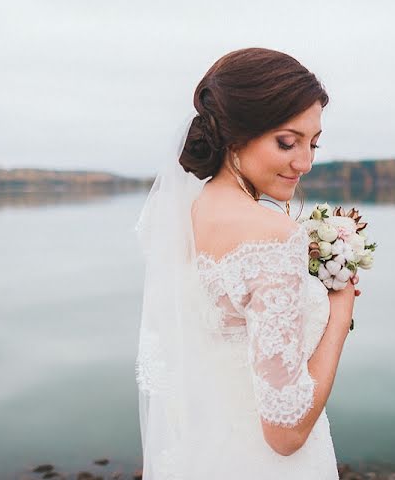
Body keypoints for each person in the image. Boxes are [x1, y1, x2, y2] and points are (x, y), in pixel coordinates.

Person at [134, 47, 359, 479]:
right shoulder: (272, 236)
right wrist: (340, 313)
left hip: (204, 453)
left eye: (313, 144)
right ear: (236, 136)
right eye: (287, 142)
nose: (305, 162)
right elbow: (286, 432)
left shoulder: (182, 216)